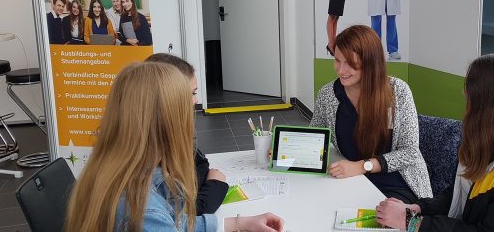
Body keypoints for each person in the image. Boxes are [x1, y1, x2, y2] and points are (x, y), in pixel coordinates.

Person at [64, 62, 284, 231]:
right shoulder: (143, 210)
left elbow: (172, 224)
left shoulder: (113, 168)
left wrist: (239, 223)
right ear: (169, 122)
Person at [374, 53, 494, 231]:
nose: (464, 93)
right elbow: (458, 194)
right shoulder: (493, 137)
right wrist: (417, 208)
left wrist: (412, 223)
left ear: (493, 101)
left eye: (472, 90)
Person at [311, 25, 432, 203]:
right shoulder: (328, 94)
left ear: (370, 63)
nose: (340, 70)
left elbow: (410, 152)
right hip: (351, 181)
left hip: (397, 183)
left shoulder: (398, 91)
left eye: (350, 64)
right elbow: (316, 136)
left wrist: (362, 166)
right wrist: (285, 149)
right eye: (337, 60)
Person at [144, 53, 228, 216]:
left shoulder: (170, 131)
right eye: (191, 93)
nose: (195, 100)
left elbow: (197, 167)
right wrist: (215, 183)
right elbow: (190, 213)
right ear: (168, 98)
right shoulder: (152, 157)